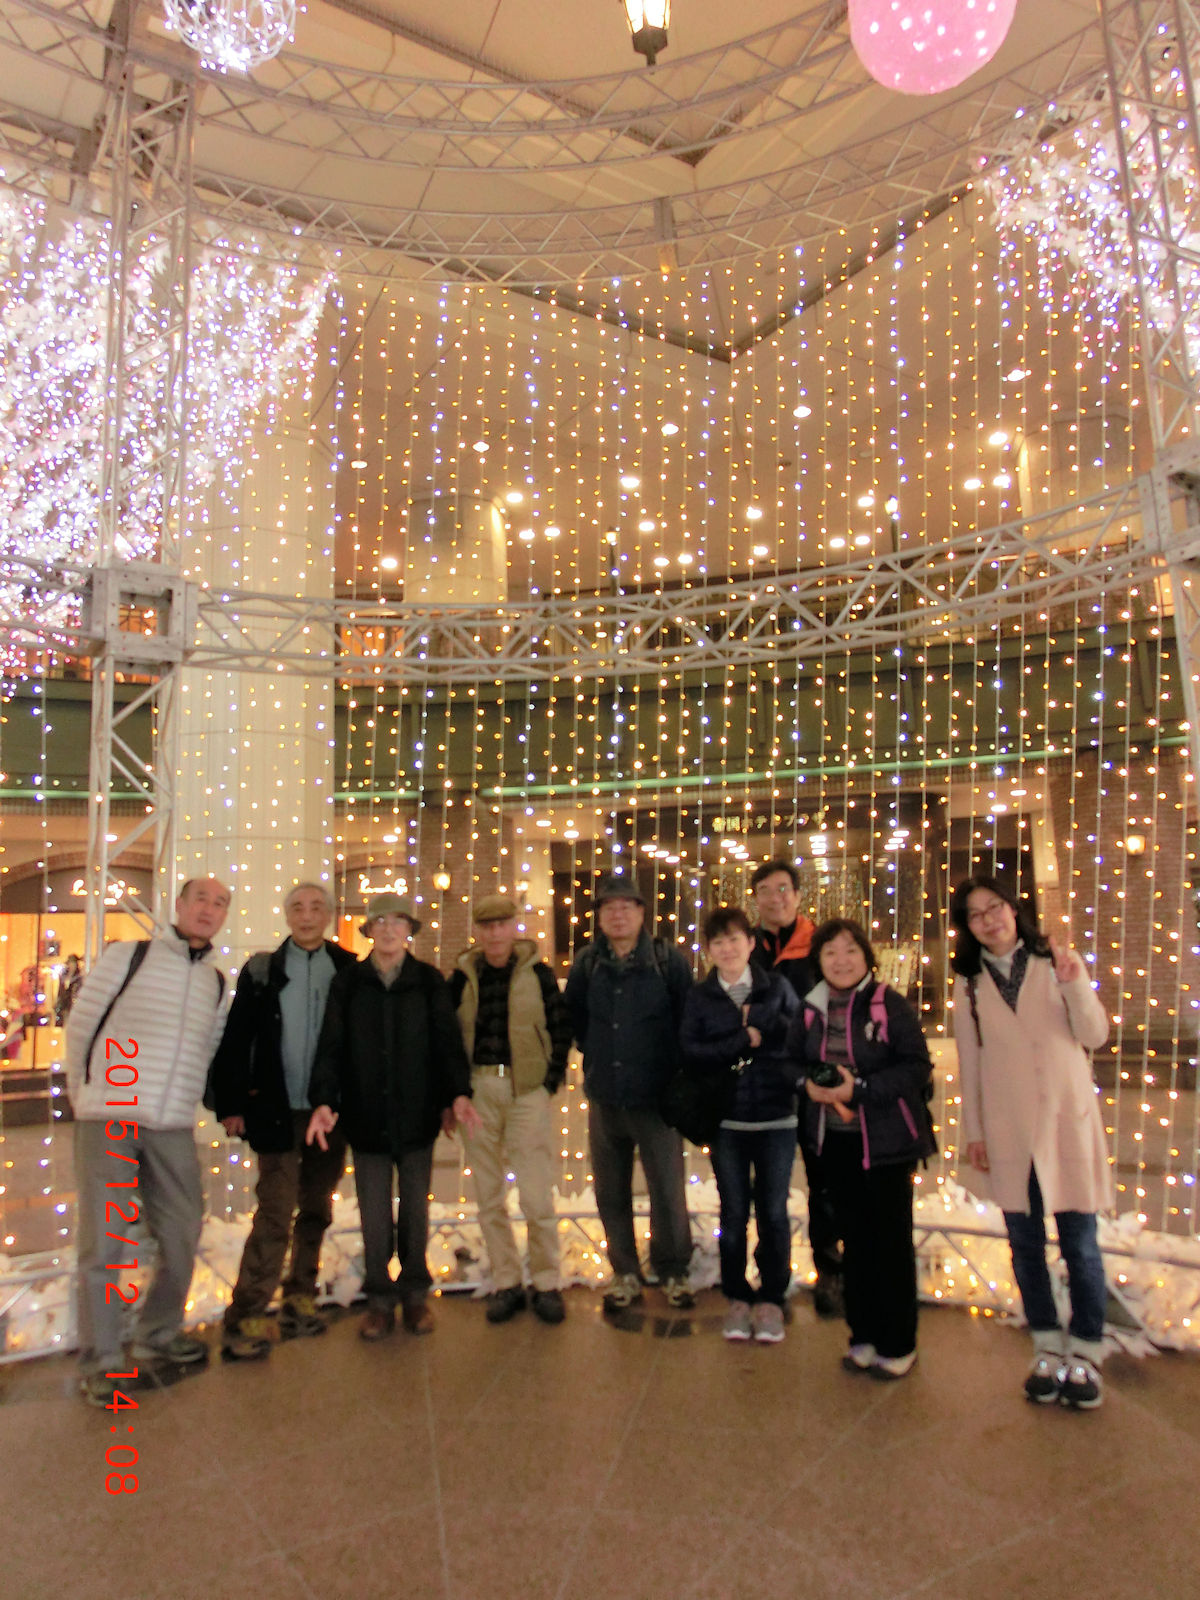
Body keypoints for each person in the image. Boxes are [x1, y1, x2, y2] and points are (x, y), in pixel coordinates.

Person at [65, 876, 232, 1405]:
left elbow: (207, 1050)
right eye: (200, 899)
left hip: (172, 1124)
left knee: (183, 1230)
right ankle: (102, 1360)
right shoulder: (129, 957)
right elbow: (81, 1027)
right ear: (178, 905)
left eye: (219, 903)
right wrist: (84, 1097)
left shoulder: (216, 983)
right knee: (105, 1243)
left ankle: (157, 1332)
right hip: (109, 1117)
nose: (208, 909)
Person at [950, 874, 1112, 1409]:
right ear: (967, 926)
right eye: (975, 914)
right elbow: (970, 1063)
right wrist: (975, 1133)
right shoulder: (969, 984)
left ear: (1013, 909)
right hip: (1009, 1130)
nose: (988, 920)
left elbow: (1095, 1035)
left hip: (1065, 1122)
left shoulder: (1056, 961)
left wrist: (1075, 984)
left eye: (995, 907)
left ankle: (1086, 1350)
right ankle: (1045, 1343)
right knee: (1024, 1244)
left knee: (1080, 1243)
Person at [306, 892, 479, 1339]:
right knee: (374, 1214)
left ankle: (415, 1295)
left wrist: (456, 1094)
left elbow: (447, 1044)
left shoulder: (428, 980)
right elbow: (331, 1045)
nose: (388, 929)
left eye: (397, 921)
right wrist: (324, 1099)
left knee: (416, 1212)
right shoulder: (349, 982)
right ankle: (380, 1300)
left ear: (408, 931)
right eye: (380, 922)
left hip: (417, 1116)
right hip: (365, 1116)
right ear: (368, 930)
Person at [211, 882, 357, 1360]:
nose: (307, 915)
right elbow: (238, 1037)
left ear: (329, 915)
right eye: (298, 907)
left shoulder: (348, 969)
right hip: (275, 1110)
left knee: (316, 1206)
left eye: (316, 907)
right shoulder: (262, 971)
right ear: (287, 915)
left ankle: (300, 1294)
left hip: (328, 1113)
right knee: (275, 1209)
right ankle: (249, 1309)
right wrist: (232, 1103)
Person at [787, 917, 935, 1379]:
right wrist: (806, 1084)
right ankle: (864, 1335)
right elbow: (790, 1062)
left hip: (887, 1143)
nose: (841, 960)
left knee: (890, 1242)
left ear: (867, 957)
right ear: (818, 961)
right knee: (854, 1242)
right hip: (834, 1143)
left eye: (850, 950)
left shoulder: (888, 1003)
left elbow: (916, 1066)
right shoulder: (810, 1009)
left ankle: (899, 1342)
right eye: (830, 951)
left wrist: (862, 1088)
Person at [564, 871, 695, 1312]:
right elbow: (575, 1019)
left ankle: (673, 1271)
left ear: (642, 913)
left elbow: (687, 1018)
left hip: (657, 1099)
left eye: (626, 907)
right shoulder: (587, 963)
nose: (617, 915)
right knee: (611, 1191)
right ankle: (625, 1272)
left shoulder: (666, 960)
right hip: (605, 1096)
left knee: (667, 1190)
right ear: (599, 917)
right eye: (609, 908)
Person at [449, 894, 573, 1325]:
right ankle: (507, 1281)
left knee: (536, 1194)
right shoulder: (462, 977)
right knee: (489, 1196)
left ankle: (546, 1281)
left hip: (527, 1092)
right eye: (487, 926)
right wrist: (457, 1091)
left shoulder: (538, 973)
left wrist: (550, 1082)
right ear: (478, 932)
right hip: (479, 1091)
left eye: (502, 925)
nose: (495, 933)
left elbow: (560, 1027)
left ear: (513, 927)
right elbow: (449, 1037)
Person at [680, 906, 800, 1343]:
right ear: (708, 950)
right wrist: (741, 1039)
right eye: (718, 942)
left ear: (751, 943)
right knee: (732, 1213)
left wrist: (767, 1025)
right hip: (727, 1121)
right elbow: (691, 1051)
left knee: (773, 1212)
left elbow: (800, 1039)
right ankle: (736, 1294)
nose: (727, 948)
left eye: (735, 939)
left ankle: (772, 1296)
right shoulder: (701, 996)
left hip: (777, 1118)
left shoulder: (777, 987)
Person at [749, 858, 843, 1319]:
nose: (775, 898)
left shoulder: (820, 946)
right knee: (769, 1187)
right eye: (765, 890)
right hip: (763, 1082)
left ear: (799, 895)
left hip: (813, 1079)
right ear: (756, 899)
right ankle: (774, 1278)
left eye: (783, 888)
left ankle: (831, 1273)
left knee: (825, 1181)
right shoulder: (746, 947)